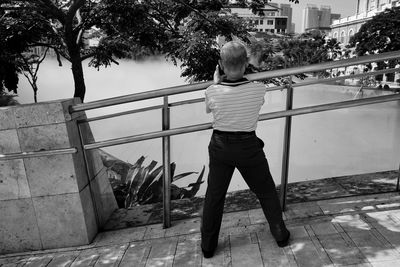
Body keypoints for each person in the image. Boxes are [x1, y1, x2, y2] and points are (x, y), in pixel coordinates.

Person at [201, 41, 290, 258]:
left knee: (215, 195)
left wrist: (216, 83)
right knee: (266, 191)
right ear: (246, 64)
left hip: (220, 147)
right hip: (249, 147)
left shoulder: (212, 90)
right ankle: (280, 234)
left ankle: (208, 246)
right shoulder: (258, 89)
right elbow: (253, 99)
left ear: (221, 64)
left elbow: (208, 110)